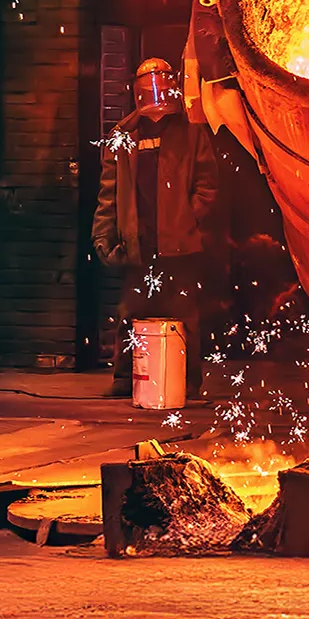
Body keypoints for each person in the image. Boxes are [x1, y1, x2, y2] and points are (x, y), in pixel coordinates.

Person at [92, 57, 220, 398]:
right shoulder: (123, 135)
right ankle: (125, 378)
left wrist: (187, 219)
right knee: (130, 313)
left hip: (179, 244)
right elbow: (109, 193)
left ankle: (187, 382)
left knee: (184, 317)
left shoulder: (192, 131)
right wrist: (104, 234)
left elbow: (207, 184)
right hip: (139, 241)